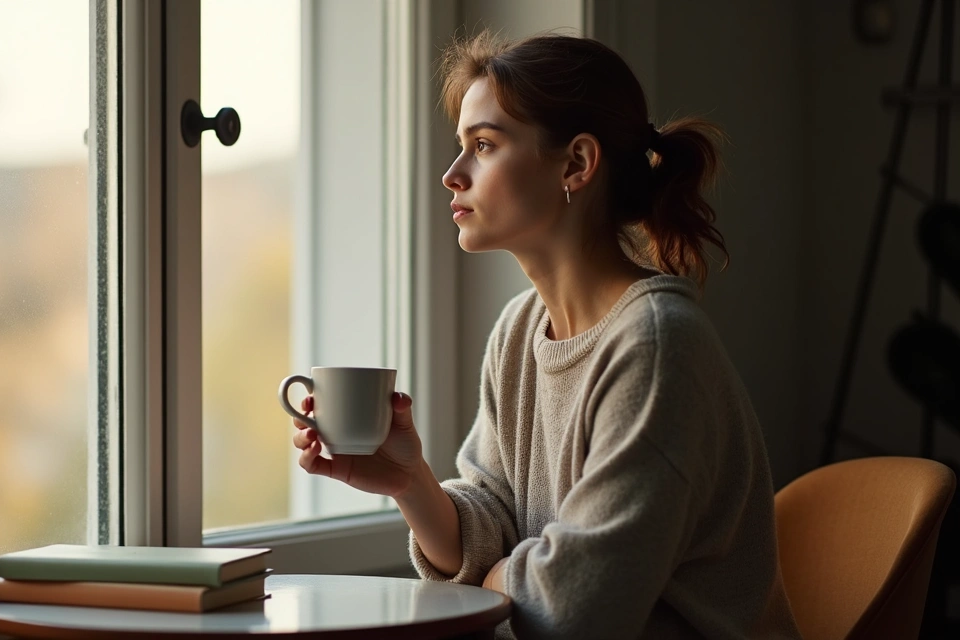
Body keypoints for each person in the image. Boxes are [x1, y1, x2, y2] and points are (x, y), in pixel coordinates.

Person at [289, 30, 801, 640]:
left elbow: (580, 608)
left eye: (484, 145)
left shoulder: (656, 346)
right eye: (462, 147)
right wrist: (410, 482)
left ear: (577, 163)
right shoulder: (518, 332)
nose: (453, 175)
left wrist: (504, 577)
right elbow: (495, 528)